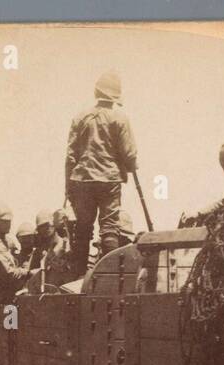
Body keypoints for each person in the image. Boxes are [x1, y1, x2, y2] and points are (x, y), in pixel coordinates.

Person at [66, 70, 138, 273]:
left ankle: (78, 275)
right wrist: (132, 164)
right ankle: (111, 276)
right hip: (109, 179)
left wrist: (68, 187)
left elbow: (70, 156)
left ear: (97, 92)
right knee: (109, 228)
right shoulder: (120, 118)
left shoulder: (80, 117)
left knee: (82, 228)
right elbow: (129, 154)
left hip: (82, 179)